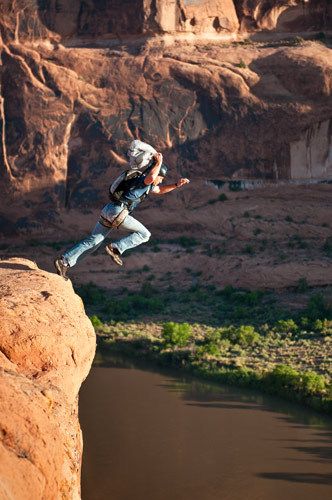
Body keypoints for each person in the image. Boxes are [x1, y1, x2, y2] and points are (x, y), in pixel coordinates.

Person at [54, 148, 190, 280]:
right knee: (145, 234)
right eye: (161, 177)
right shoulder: (144, 181)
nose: (160, 180)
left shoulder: (143, 182)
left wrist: (176, 185)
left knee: (94, 241)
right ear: (156, 173)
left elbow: (160, 190)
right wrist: (158, 163)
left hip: (109, 209)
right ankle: (116, 248)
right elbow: (152, 177)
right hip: (118, 212)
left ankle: (64, 261)